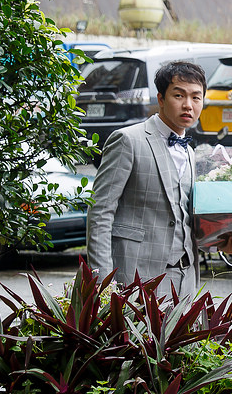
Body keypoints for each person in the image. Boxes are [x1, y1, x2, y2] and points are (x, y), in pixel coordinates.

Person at [86, 60, 207, 300]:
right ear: (160, 99)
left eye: (196, 97)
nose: (188, 105)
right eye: (179, 95)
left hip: (185, 280)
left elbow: (185, 218)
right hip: (135, 278)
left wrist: (226, 240)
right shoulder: (128, 141)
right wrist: (102, 281)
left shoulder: (192, 153)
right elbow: (99, 213)